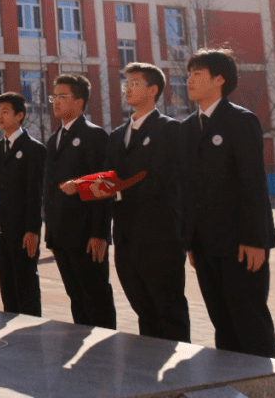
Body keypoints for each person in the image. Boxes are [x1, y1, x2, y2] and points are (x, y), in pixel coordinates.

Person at [183, 48, 275, 358]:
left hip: (240, 245)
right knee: (222, 324)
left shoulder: (240, 120)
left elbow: (252, 183)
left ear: (219, 80)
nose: (190, 81)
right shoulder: (186, 128)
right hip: (206, 246)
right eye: (189, 75)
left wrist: (254, 240)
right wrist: (192, 244)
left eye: (198, 75)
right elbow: (189, 191)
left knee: (250, 322)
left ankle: (267, 388)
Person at [103, 63, 190, 342]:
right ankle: (150, 371)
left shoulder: (170, 130)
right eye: (125, 83)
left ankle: (179, 375)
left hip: (160, 238)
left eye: (135, 83)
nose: (128, 88)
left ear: (153, 90)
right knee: (144, 310)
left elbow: (163, 181)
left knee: (169, 310)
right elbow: (109, 178)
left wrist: (117, 188)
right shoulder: (117, 135)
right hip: (126, 238)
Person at [43, 74, 116, 329]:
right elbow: (50, 191)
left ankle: (104, 349)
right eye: (55, 97)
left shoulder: (94, 136)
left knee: (96, 297)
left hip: (86, 237)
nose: (56, 102)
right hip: (62, 236)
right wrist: (50, 234)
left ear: (80, 102)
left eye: (63, 97)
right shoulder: (54, 140)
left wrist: (100, 234)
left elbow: (103, 187)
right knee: (76, 297)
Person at [0, 92, 45, 317]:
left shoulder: (33, 149)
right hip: (1, 231)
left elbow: (35, 193)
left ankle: (31, 333)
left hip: (22, 232)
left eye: (6, 112)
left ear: (19, 115)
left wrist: (32, 230)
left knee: (26, 286)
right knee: (7, 287)